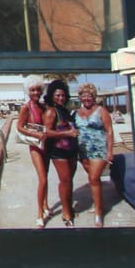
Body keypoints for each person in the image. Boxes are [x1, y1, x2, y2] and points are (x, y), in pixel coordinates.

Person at [40, 79, 81, 227]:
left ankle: (68, 207)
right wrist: (69, 133)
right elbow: (47, 132)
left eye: (63, 95)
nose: (61, 98)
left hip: (71, 151)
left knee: (69, 181)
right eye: (57, 95)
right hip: (59, 152)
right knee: (65, 181)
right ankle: (66, 213)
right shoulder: (51, 111)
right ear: (51, 95)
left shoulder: (65, 110)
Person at [74, 82, 116, 227]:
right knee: (94, 180)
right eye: (84, 96)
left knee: (93, 178)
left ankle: (99, 213)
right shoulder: (75, 113)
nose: (87, 99)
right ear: (80, 97)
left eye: (89, 96)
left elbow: (109, 131)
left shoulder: (101, 111)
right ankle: (99, 204)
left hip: (99, 150)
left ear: (94, 97)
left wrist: (110, 151)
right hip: (83, 151)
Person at [13, 78, 52, 228]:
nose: (35, 92)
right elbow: (20, 127)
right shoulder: (26, 108)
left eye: (38, 90)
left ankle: (46, 205)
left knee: (46, 177)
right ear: (28, 91)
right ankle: (39, 214)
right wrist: (36, 135)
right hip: (35, 146)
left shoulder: (43, 107)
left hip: (46, 145)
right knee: (42, 178)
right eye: (32, 90)